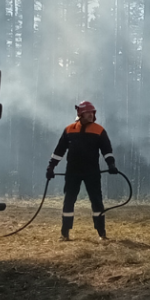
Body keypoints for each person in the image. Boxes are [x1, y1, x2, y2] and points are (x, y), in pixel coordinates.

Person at [47, 101, 119, 241]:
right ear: (80, 114)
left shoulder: (99, 130)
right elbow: (59, 151)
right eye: (88, 113)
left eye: (93, 112)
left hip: (92, 172)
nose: (91, 115)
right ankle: (65, 233)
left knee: (96, 202)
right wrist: (51, 167)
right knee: (69, 201)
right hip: (72, 172)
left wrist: (111, 165)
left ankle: (101, 233)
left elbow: (107, 151)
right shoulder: (69, 130)